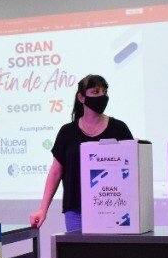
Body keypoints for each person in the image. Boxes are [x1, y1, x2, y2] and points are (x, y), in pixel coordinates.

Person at [31, 74, 133, 233]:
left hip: (113, 209)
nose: (102, 96)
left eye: (104, 92)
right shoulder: (67, 132)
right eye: (95, 92)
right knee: (78, 248)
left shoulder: (119, 128)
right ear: (81, 97)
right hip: (76, 211)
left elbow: (131, 169)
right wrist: (43, 209)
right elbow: (56, 172)